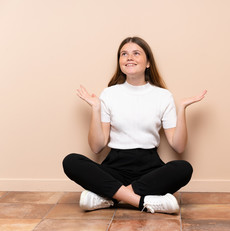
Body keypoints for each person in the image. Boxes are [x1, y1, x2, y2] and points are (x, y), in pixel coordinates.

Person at [63, 36, 206, 214]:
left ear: (148, 63)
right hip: (114, 166)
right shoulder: (108, 94)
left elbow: (178, 146)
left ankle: (107, 198)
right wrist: (96, 108)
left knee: (184, 168)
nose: (129, 57)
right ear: (120, 62)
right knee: (71, 161)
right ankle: (143, 202)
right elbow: (97, 147)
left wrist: (182, 109)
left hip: (149, 168)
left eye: (136, 53)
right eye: (124, 54)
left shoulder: (163, 96)